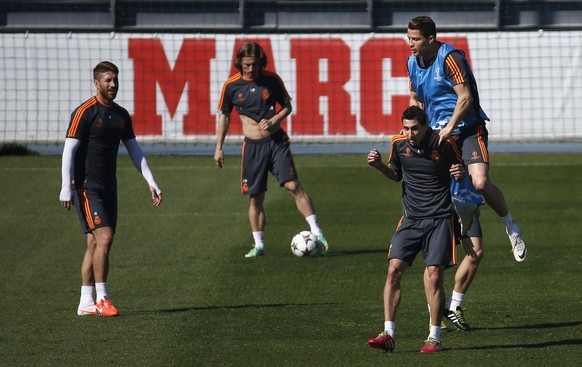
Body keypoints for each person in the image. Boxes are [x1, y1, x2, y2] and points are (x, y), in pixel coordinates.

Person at [406, 15, 527, 329]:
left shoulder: (450, 57)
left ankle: (511, 226)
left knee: (480, 180)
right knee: (457, 241)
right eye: (409, 39)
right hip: (439, 136)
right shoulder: (412, 63)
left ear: (432, 38)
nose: (411, 44)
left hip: (467, 131)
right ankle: (449, 311)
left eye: (416, 39)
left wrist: (448, 127)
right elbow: (415, 98)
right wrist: (415, 125)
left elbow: (466, 97)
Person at [59, 61, 163, 317]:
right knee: (105, 238)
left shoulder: (121, 115)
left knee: (95, 244)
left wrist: (151, 181)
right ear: (96, 83)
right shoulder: (84, 112)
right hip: (86, 187)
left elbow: (135, 150)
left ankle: (85, 303)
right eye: (108, 80)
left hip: (109, 187)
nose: (113, 84)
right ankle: (103, 299)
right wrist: (65, 186)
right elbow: (69, 150)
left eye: (115, 80)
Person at [214, 41, 329, 258]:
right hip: (252, 148)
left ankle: (318, 233)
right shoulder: (231, 86)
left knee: (293, 185)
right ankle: (259, 246)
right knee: (256, 198)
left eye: (255, 64)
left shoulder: (272, 80)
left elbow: (287, 106)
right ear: (240, 63)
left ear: (261, 62)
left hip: (276, 142)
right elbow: (225, 116)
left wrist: (275, 119)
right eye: (247, 65)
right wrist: (218, 148)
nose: (251, 69)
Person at [367, 106, 465, 353]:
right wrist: (380, 166)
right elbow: (396, 174)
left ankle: (434, 338)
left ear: (426, 126)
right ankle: (388, 334)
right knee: (393, 271)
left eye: (414, 128)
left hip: (440, 219)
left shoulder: (444, 143)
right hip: (411, 219)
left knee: (434, 276)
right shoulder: (399, 144)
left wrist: (460, 173)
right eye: (406, 128)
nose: (409, 133)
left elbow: (461, 170)